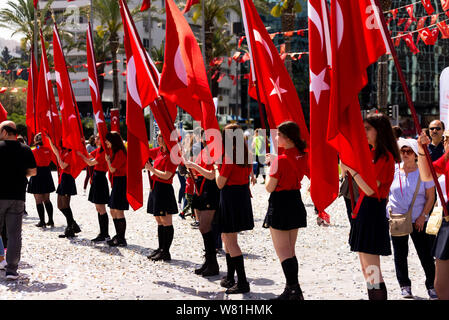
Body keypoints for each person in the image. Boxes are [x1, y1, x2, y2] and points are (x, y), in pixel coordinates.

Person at [340, 113, 401, 300]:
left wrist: (353, 171)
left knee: (372, 268)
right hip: (364, 209)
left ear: (379, 131)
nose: (364, 132)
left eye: (367, 129)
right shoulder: (372, 152)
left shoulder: (385, 156)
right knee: (366, 267)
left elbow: (369, 189)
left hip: (373, 210)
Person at [387, 138, 437, 299]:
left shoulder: (424, 171)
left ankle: (432, 285)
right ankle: (404, 285)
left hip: (418, 220)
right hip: (397, 219)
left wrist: (423, 216)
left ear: (416, 154)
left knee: (426, 254)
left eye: (409, 151)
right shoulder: (393, 170)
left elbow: (431, 197)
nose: (406, 154)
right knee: (400, 254)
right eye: (403, 151)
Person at [263, 121, 308, 300]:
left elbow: (269, 187)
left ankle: (294, 290)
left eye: (278, 135)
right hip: (295, 200)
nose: (276, 137)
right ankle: (291, 289)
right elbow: (291, 165)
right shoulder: (301, 155)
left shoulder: (279, 161)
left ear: (287, 137)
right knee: (290, 249)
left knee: (283, 251)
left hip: (281, 202)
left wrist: (269, 168)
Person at [214, 123, 256, 294]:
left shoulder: (230, 156)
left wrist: (217, 168)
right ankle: (231, 277)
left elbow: (220, 182)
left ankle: (243, 282)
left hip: (230, 197)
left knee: (231, 242)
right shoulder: (245, 153)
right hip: (240, 196)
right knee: (227, 238)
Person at [0, 120, 36, 280]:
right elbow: (33, 172)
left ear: (5, 132)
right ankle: (12, 271)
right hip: (18, 196)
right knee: (14, 235)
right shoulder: (25, 149)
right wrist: (20, 175)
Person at [417, 129, 449, 300]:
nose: (445, 142)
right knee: (441, 284)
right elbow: (427, 175)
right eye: (446, 139)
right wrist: (422, 150)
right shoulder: (448, 157)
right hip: (447, 217)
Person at [184, 143, 221, 277]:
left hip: (209, 188)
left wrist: (194, 166)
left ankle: (213, 263)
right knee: (202, 227)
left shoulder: (215, 150)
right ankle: (209, 260)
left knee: (205, 227)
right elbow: (199, 171)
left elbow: (211, 175)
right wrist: (189, 169)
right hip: (199, 187)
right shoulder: (203, 150)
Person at [146, 133, 178, 261]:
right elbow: (145, 151)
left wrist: (151, 169)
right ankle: (160, 248)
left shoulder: (172, 155)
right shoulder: (159, 151)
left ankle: (166, 251)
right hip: (156, 187)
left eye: (161, 135)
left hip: (164, 189)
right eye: (158, 135)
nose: (158, 138)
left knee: (166, 220)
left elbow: (167, 175)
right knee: (159, 219)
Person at [76, 134, 111, 242]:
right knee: (98, 208)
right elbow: (88, 155)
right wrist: (82, 144)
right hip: (96, 179)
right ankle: (102, 232)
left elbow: (90, 162)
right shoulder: (99, 150)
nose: (95, 139)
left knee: (101, 208)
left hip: (100, 179)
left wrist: (81, 156)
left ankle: (105, 234)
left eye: (98, 137)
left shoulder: (104, 151)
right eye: (96, 137)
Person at [47, 136, 83, 238]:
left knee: (66, 205)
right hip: (62, 179)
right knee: (60, 205)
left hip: (68, 179)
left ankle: (70, 228)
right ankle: (73, 224)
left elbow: (63, 165)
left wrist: (58, 156)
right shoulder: (63, 151)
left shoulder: (70, 153)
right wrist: (50, 139)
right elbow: (54, 149)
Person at [104, 132, 129, 247]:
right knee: (113, 210)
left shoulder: (120, 153)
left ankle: (121, 238)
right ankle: (118, 235)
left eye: (107, 140)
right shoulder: (115, 152)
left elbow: (113, 169)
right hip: (116, 182)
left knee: (118, 211)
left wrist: (108, 160)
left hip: (121, 182)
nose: (106, 143)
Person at [27, 133, 56, 228]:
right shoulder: (49, 150)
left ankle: (42, 221)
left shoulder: (33, 151)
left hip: (37, 173)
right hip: (46, 173)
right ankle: (51, 220)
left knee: (38, 199)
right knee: (47, 199)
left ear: (35, 140)